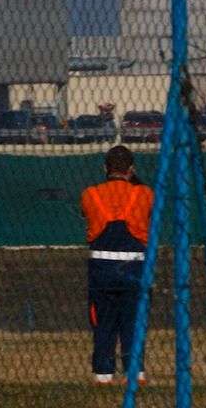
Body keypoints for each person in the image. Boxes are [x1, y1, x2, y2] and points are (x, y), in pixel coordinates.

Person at [81, 142, 154, 384]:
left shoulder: (90, 194)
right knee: (133, 321)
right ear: (131, 169)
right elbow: (149, 210)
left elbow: (86, 213)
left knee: (103, 322)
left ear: (105, 168)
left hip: (101, 267)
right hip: (134, 266)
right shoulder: (144, 194)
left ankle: (103, 373)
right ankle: (135, 372)